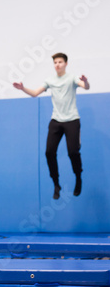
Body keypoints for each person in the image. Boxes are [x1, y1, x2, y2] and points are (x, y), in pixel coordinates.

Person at [13, 53, 90, 199]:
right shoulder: (50, 80)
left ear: (66, 63)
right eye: (55, 62)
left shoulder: (71, 78)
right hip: (56, 120)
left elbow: (85, 87)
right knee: (49, 152)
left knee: (73, 152)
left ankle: (78, 177)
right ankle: (56, 184)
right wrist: (23, 88)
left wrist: (85, 82)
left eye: (60, 62)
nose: (58, 64)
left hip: (72, 120)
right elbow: (35, 93)